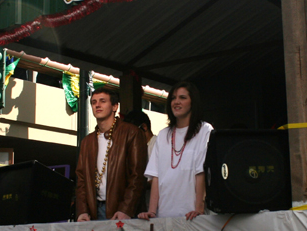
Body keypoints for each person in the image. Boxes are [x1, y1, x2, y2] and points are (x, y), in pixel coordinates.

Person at [139, 81, 213, 221]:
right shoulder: (163, 135)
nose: (176, 102)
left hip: (192, 216)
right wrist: (152, 212)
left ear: (193, 102)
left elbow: (201, 172)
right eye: (173, 98)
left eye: (182, 98)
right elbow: (156, 176)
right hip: (164, 216)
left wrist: (199, 209)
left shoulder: (204, 130)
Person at [75, 88, 147, 222]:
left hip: (122, 210)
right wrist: (82, 211)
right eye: (93, 102)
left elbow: (138, 175)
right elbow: (81, 180)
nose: (97, 105)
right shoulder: (87, 141)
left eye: (102, 101)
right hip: (93, 211)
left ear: (115, 106)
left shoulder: (132, 133)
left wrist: (126, 209)